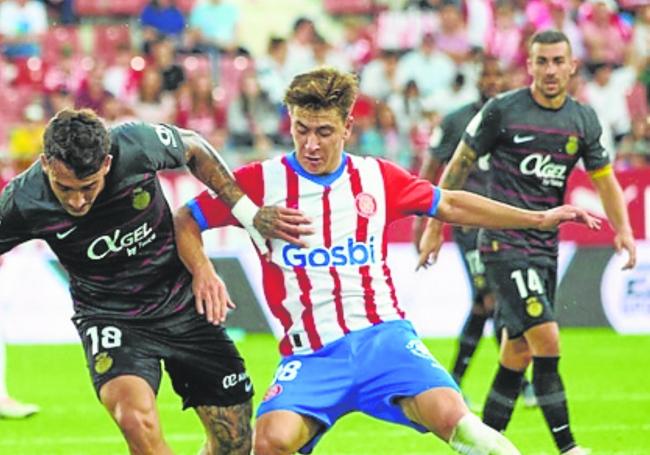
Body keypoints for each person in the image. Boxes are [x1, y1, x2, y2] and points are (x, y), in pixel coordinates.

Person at [173, 67, 600, 455]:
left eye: (323, 131)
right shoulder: (258, 183)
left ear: (348, 127)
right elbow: (185, 220)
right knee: (269, 443)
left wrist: (538, 218)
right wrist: (203, 271)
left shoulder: (377, 177)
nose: (310, 144)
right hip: (311, 356)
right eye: (300, 129)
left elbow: (448, 203)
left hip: (385, 341)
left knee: (462, 425)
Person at [0, 108, 311, 454]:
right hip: (110, 318)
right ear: (45, 163)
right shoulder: (23, 201)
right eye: (64, 188)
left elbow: (194, 148)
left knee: (234, 443)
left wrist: (246, 213)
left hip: (183, 306)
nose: (77, 201)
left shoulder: (136, 146)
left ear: (106, 163)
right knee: (136, 420)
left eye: (87, 187)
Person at [418, 30, 637, 455]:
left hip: (545, 247)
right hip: (502, 243)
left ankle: (483, 444)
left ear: (572, 66)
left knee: (516, 351)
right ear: (530, 65)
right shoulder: (503, 111)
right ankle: (569, 447)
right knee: (548, 338)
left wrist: (623, 229)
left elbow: (605, 181)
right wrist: (433, 226)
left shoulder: (583, 120)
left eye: (558, 61)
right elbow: (459, 163)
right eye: (542, 61)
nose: (550, 70)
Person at [414, 56, 537, 409]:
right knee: (489, 299)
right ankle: (514, 382)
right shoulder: (456, 121)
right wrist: (422, 220)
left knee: (490, 304)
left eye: (498, 74)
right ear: (478, 79)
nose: (492, 81)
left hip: (503, 221)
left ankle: (456, 382)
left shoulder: (516, 120)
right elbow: (431, 165)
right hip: (468, 224)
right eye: (487, 75)